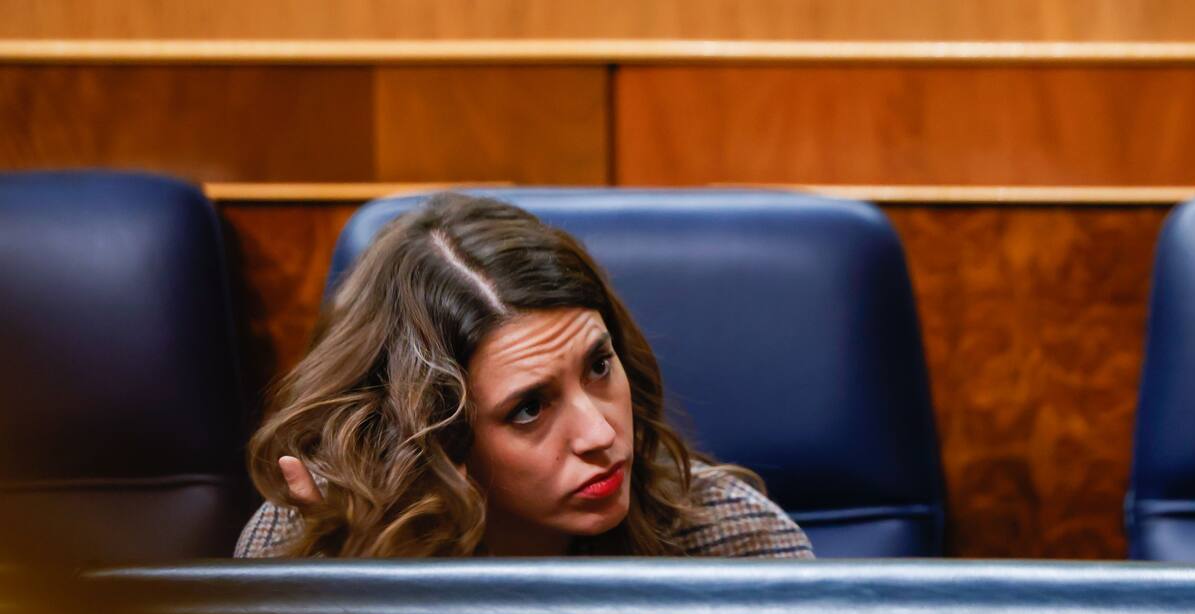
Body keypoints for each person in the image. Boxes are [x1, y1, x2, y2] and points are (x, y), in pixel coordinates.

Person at [235, 193, 813, 559]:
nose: (600, 435)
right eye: (530, 408)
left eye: (599, 366)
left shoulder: (731, 540)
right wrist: (362, 586)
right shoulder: (306, 539)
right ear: (431, 436)